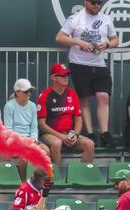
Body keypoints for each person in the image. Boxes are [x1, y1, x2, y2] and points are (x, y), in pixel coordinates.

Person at [55, 0, 118, 148]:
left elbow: (115, 39)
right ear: (86, 2)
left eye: (99, 3)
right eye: (93, 3)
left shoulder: (106, 19)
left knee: (103, 96)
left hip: (99, 63)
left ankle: (105, 133)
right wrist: (78, 42)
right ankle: (90, 133)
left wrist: (107, 44)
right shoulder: (75, 18)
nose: (96, 6)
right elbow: (59, 37)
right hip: (79, 64)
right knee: (83, 99)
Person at [37, 63, 95, 168]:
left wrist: (75, 134)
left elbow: (78, 119)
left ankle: (82, 177)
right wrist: (60, 136)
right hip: (50, 134)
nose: (66, 78)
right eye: (62, 76)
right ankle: (56, 178)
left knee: (89, 144)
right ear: (53, 78)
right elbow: (41, 124)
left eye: (67, 75)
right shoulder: (45, 95)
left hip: (69, 133)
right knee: (56, 143)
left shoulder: (72, 94)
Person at [4, 79, 50, 180]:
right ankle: (23, 182)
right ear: (17, 92)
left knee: (46, 150)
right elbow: (8, 129)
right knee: (24, 156)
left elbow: (34, 127)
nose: (29, 93)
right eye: (26, 91)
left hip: (30, 140)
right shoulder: (9, 106)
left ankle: (39, 181)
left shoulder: (33, 106)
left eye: (30, 91)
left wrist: (33, 140)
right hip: (15, 141)